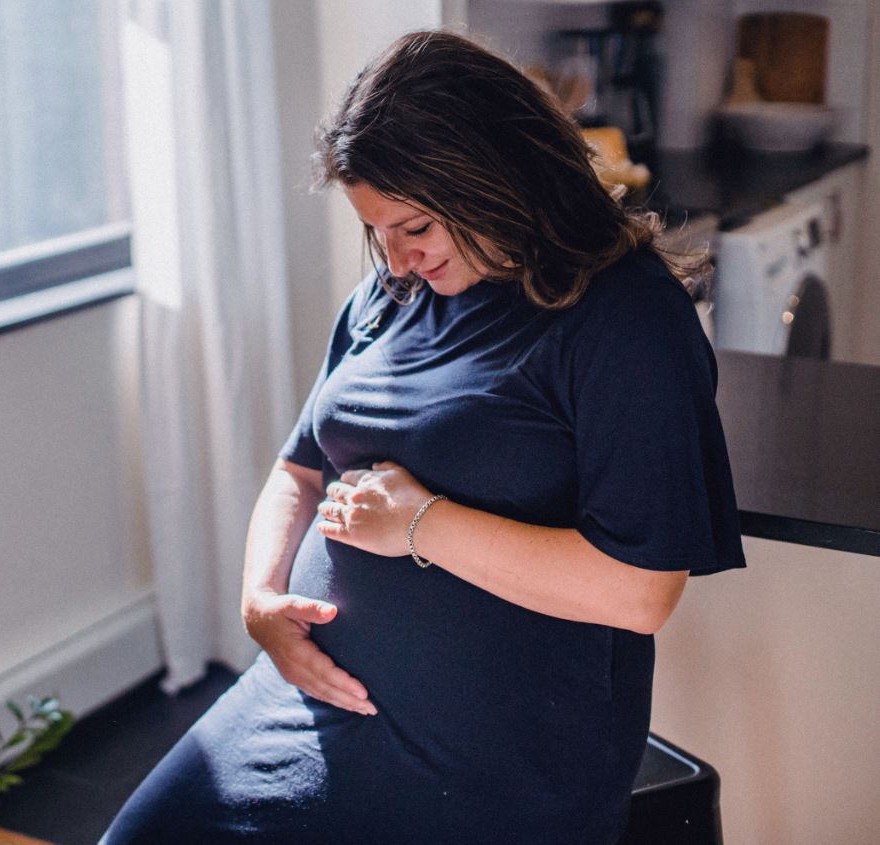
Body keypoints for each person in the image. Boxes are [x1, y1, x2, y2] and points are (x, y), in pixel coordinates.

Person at [102, 29, 745, 844]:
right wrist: (260, 598)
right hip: (310, 702)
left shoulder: (623, 316)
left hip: (493, 756)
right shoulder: (392, 294)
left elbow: (641, 590)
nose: (399, 262)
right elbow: (300, 470)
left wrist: (420, 521)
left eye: (415, 229)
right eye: (381, 235)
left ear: (491, 181)